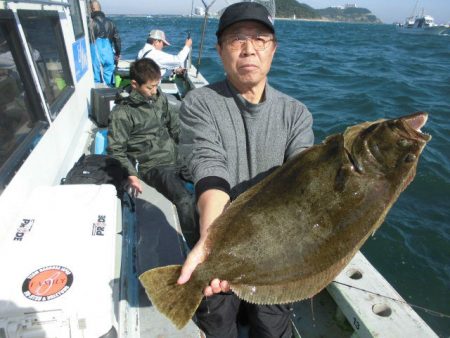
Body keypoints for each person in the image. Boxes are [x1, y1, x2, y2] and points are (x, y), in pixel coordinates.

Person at [177, 2, 314, 337]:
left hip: (277, 252)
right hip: (218, 241)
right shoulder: (199, 103)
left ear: (273, 50)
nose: (249, 49)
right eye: (237, 40)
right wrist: (213, 244)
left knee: (271, 325)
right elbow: (210, 168)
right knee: (218, 324)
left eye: (260, 39)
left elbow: (304, 175)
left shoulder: (296, 114)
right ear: (221, 51)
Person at [106, 58, 198, 247]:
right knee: (184, 200)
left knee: (211, 181)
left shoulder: (159, 98)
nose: (154, 91)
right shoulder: (121, 113)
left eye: (157, 85)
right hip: (153, 165)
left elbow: (175, 128)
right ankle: (195, 246)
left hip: (175, 155)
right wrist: (131, 174)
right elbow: (116, 149)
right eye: (150, 87)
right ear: (134, 84)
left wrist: (191, 152)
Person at [89, 0, 121, 86]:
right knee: (109, 77)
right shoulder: (111, 22)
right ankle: (110, 95)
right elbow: (117, 39)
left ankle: (98, 95)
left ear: (92, 9)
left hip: (96, 53)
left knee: (97, 77)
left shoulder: (90, 23)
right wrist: (118, 53)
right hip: (109, 53)